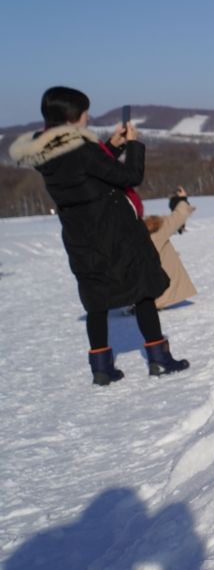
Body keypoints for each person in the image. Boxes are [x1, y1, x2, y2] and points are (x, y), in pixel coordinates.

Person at [8, 87, 190, 385]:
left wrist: (111, 147)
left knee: (96, 298)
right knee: (142, 290)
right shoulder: (81, 149)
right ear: (72, 116)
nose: (88, 117)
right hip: (115, 230)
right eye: (84, 112)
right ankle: (158, 359)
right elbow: (129, 177)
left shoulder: (45, 152)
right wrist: (132, 145)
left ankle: (101, 368)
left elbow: (85, 173)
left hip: (80, 234)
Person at [144, 190, 197, 309]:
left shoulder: (115, 233)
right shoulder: (152, 229)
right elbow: (177, 217)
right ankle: (155, 300)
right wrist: (183, 200)